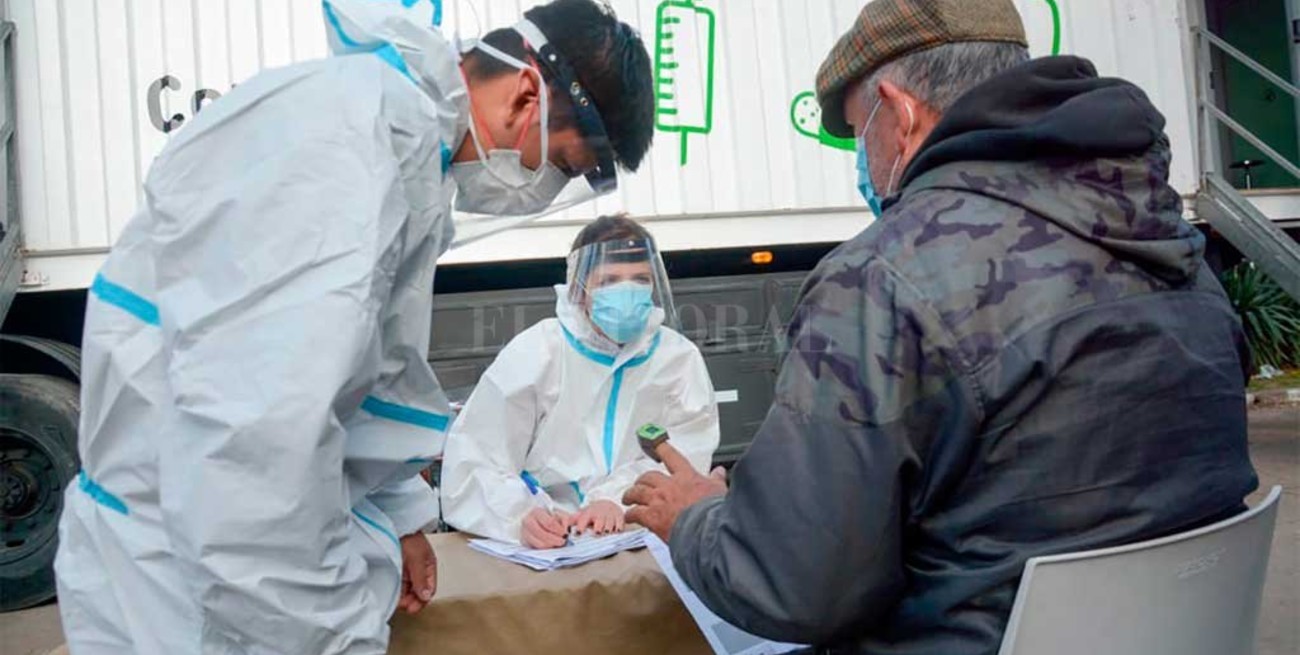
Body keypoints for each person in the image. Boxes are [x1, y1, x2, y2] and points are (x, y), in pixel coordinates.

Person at [623, 0, 1259, 653]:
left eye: (858, 132)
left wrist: (694, 516)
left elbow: (792, 584)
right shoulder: (1180, 253)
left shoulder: (881, 277)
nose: (863, 161)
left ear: (899, 114)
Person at [54, 1, 654, 653]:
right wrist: (334, 637)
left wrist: (399, 517)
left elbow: (368, 372)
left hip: (218, 548)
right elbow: (254, 451)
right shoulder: (342, 150)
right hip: (186, 581)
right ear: (525, 95)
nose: (544, 187)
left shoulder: (401, 154)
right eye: (561, 164)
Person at [442, 216, 720, 549]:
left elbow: (687, 454)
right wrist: (521, 517)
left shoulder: (676, 358)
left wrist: (617, 501)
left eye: (640, 279)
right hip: (549, 544)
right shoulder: (538, 352)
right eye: (609, 280)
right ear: (579, 289)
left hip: (643, 538)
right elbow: (477, 458)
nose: (627, 292)